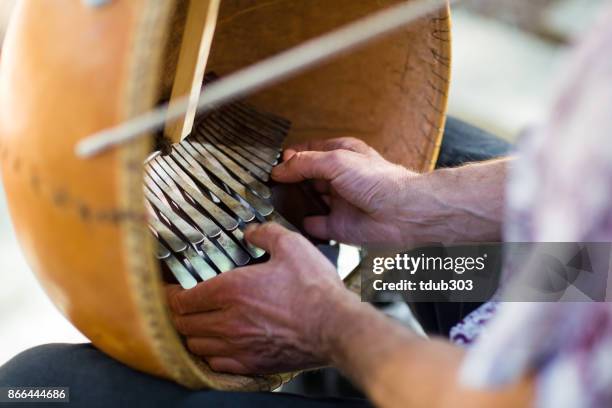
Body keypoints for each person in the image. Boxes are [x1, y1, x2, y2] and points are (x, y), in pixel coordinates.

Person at [3, 5, 612, 408]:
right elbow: (590, 230)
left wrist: (329, 327)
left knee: (44, 389)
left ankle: (351, 350)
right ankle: (362, 314)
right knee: (431, 187)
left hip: (492, 391)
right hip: (586, 275)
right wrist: (422, 202)